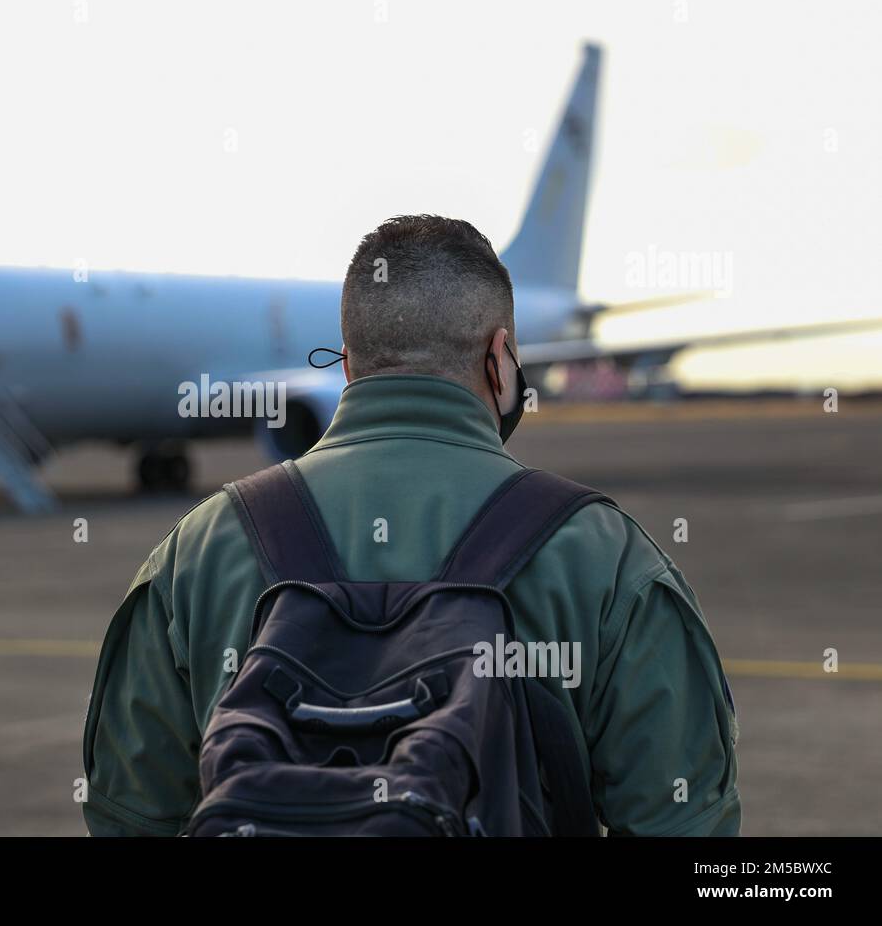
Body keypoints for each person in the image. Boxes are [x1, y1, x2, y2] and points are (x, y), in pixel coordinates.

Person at [82, 214, 740, 836]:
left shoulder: (197, 551)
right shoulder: (604, 556)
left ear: (346, 364)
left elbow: (130, 813)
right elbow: (680, 820)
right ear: (502, 359)